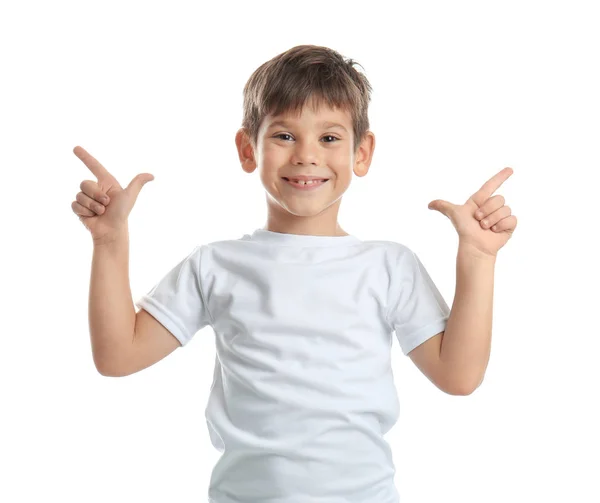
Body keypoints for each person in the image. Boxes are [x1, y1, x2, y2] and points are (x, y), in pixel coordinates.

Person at [72, 44, 517, 502]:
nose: (307, 155)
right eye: (284, 136)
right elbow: (117, 357)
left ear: (361, 153)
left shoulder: (388, 266)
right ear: (249, 148)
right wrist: (109, 241)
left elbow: (458, 377)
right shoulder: (215, 265)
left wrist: (479, 259)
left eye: (329, 138)